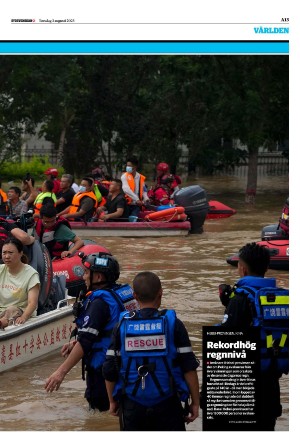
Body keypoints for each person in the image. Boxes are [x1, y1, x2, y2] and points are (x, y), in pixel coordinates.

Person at [103, 271, 200, 431]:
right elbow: (188, 367)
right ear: (161, 293)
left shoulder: (122, 326)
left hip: (132, 405)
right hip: (167, 404)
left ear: (134, 295)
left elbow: (109, 368)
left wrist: (112, 401)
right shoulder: (174, 324)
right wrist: (195, 403)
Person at [45, 251, 138, 412]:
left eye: (87, 272)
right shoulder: (121, 294)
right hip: (126, 366)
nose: (83, 277)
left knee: (100, 416)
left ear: (99, 277)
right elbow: (110, 330)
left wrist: (60, 372)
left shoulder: (99, 303)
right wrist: (76, 342)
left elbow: (87, 341)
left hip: (103, 372)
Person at [218, 242, 285, 430]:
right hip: (271, 386)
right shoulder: (282, 298)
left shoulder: (240, 298)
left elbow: (225, 344)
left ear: (242, 268)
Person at [0, 237, 40, 330]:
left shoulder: (31, 274)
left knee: (12, 309)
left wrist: (24, 317)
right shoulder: (1, 270)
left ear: (20, 253)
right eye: (4, 253)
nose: (6, 256)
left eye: (10, 253)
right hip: (1, 310)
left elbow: (32, 303)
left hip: (19, 312)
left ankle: (2, 323)